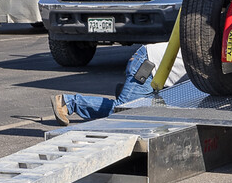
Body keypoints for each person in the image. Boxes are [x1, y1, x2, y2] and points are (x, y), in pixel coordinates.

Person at [51, 43, 186, 125]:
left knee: (152, 115)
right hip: (147, 64)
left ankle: (128, 92)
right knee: (125, 109)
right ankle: (68, 102)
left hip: (155, 69)